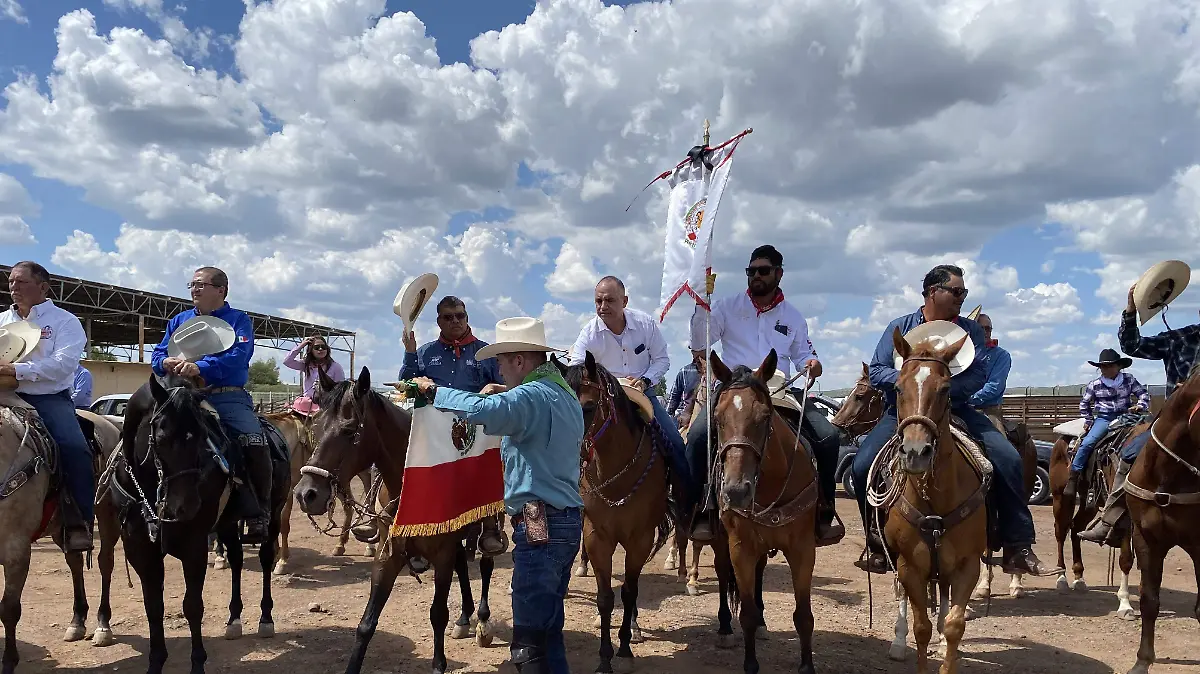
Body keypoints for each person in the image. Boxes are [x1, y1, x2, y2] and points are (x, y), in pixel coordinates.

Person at [850, 264, 1060, 576]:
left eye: (964, 292)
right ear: (933, 292)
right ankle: (877, 544)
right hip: (904, 413)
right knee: (861, 465)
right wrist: (917, 380)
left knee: (1007, 458)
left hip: (957, 408)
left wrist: (942, 389)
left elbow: (977, 373)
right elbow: (878, 369)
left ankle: (1017, 544)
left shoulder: (970, 331)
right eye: (957, 291)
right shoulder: (901, 326)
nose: (962, 297)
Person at [411, 317, 583, 674]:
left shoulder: (530, 396)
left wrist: (433, 391)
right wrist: (505, 393)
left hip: (540, 522)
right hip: (565, 521)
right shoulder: (562, 393)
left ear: (520, 360)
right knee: (549, 632)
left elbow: (482, 411)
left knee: (529, 645)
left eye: (502, 361)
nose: (498, 369)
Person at [685, 244, 844, 545]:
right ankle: (702, 509)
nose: (755, 276)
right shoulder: (726, 307)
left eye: (763, 270)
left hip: (780, 388)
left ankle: (824, 510)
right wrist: (699, 305)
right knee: (696, 438)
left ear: (779, 274)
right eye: (751, 271)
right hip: (733, 388)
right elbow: (700, 341)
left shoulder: (793, 316)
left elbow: (804, 354)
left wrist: (811, 364)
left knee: (828, 437)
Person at [145, 266, 271, 544]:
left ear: (221, 290)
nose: (194, 289)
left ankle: (258, 510)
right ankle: (144, 502)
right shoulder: (179, 320)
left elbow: (239, 355)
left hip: (226, 395)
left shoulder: (239, 320)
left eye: (201, 285)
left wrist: (199, 366)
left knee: (253, 439)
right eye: (192, 284)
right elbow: (159, 352)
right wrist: (164, 362)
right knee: (148, 436)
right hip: (182, 395)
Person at [1080, 280, 1200, 543]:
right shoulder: (1181, 339)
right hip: (1176, 422)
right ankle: (1111, 517)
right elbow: (1132, 345)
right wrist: (1131, 310)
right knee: (1132, 453)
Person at [567, 276, 696, 515]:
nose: (602, 307)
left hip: (642, 394)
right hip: (607, 397)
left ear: (624, 301)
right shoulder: (589, 333)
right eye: (598, 301)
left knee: (675, 443)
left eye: (609, 300)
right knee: (575, 441)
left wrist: (646, 380)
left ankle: (685, 506)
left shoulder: (646, 324)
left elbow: (662, 360)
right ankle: (571, 505)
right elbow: (576, 366)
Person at [393, 295, 507, 556]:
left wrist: (495, 388)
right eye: (448, 317)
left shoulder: (486, 352)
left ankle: (490, 526)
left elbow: (506, 385)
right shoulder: (425, 353)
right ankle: (414, 531)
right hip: (436, 430)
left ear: (467, 317)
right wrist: (410, 353)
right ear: (438, 321)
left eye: (460, 315)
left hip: (476, 430)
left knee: (493, 459)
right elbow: (406, 384)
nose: (455, 321)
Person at [0, 261, 95, 551]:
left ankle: (78, 520)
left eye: (21, 282)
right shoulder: (2, 319)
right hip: (2, 394)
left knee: (74, 447)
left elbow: (63, 365)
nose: (13, 287)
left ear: (43, 287)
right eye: (11, 282)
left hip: (46, 398)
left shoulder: (64, 321)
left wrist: (17, 371)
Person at [1064, 349, 1150, 499]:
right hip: (1105, 418)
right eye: (1103, 366)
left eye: (1110, 366)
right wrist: (1089, 420)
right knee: (1088, 443)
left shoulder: (1128, 379)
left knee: (1149, 435)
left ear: (1118, 366)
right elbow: (1084, 404)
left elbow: (1143, 394)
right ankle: (1073, 477)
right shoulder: (1095, 384)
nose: (1106, 369)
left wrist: (1140, 405)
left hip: (1127, 415)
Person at [968, 313, 1012, 433]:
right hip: (959, 409)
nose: (985, 332)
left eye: (988, 329)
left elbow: (994, 386)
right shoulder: (962, 353)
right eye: (980, 328)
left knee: (1002, 450)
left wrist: (968, 398)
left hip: (987, 412)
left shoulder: (1001, 355)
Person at [283, 335, 345, 412]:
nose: (320, 349)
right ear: (311, 350)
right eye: (316, 347)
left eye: (323, 346)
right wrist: (302, 345)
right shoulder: (306, 364)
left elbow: (341, 390)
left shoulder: (336, 367)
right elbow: (287, 362)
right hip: (305, 405)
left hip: (327, 407)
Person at [667, 361, 700, 427]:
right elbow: (674, 397)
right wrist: (667, 416)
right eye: (693, 350)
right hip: (684, 413)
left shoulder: (714, 371)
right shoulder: (684, 371)